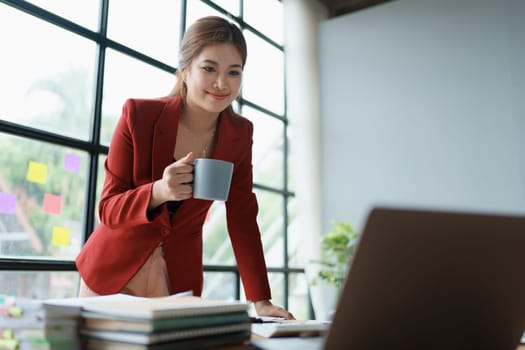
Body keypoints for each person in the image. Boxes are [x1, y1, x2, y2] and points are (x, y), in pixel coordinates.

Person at [75, 16, 294, 320]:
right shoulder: (138, 116)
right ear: (185, 69)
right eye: (209, 68)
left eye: (234, 72)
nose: (222, 83)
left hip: (176, 280)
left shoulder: (240, 133)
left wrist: (261, 300)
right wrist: (158, 192)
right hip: (112, 275)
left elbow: (243, 218)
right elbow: (108, 210)